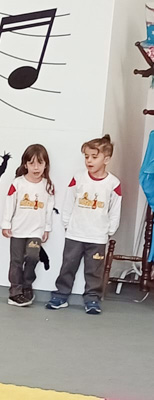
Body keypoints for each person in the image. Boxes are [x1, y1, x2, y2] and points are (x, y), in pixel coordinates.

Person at [46, 134, 121, 315]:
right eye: (86, 156)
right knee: (68, 266)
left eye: (94, 157)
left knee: (94, 271)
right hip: (75, 234)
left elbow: (115, 209)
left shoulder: (113, 183)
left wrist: (110, 230)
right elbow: (69, 202)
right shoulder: (78, 178)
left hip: (98, 237)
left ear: (106, 159)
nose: (89, 160)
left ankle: (92, 299)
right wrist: (67, 223)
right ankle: (60, 295)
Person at [1, 144, 55, 306]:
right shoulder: (18, 183)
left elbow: (49, 209)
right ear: (25, 164)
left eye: (40, 163)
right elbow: (9, 204)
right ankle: (15, 292)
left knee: (33, 256)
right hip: (17, 231)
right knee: (16, 261)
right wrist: (6, 224)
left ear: (46, 164)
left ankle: (27, 284)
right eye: (32, 163)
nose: (36, 167)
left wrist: (47, 228)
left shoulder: (48, 185)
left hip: (35, 232)